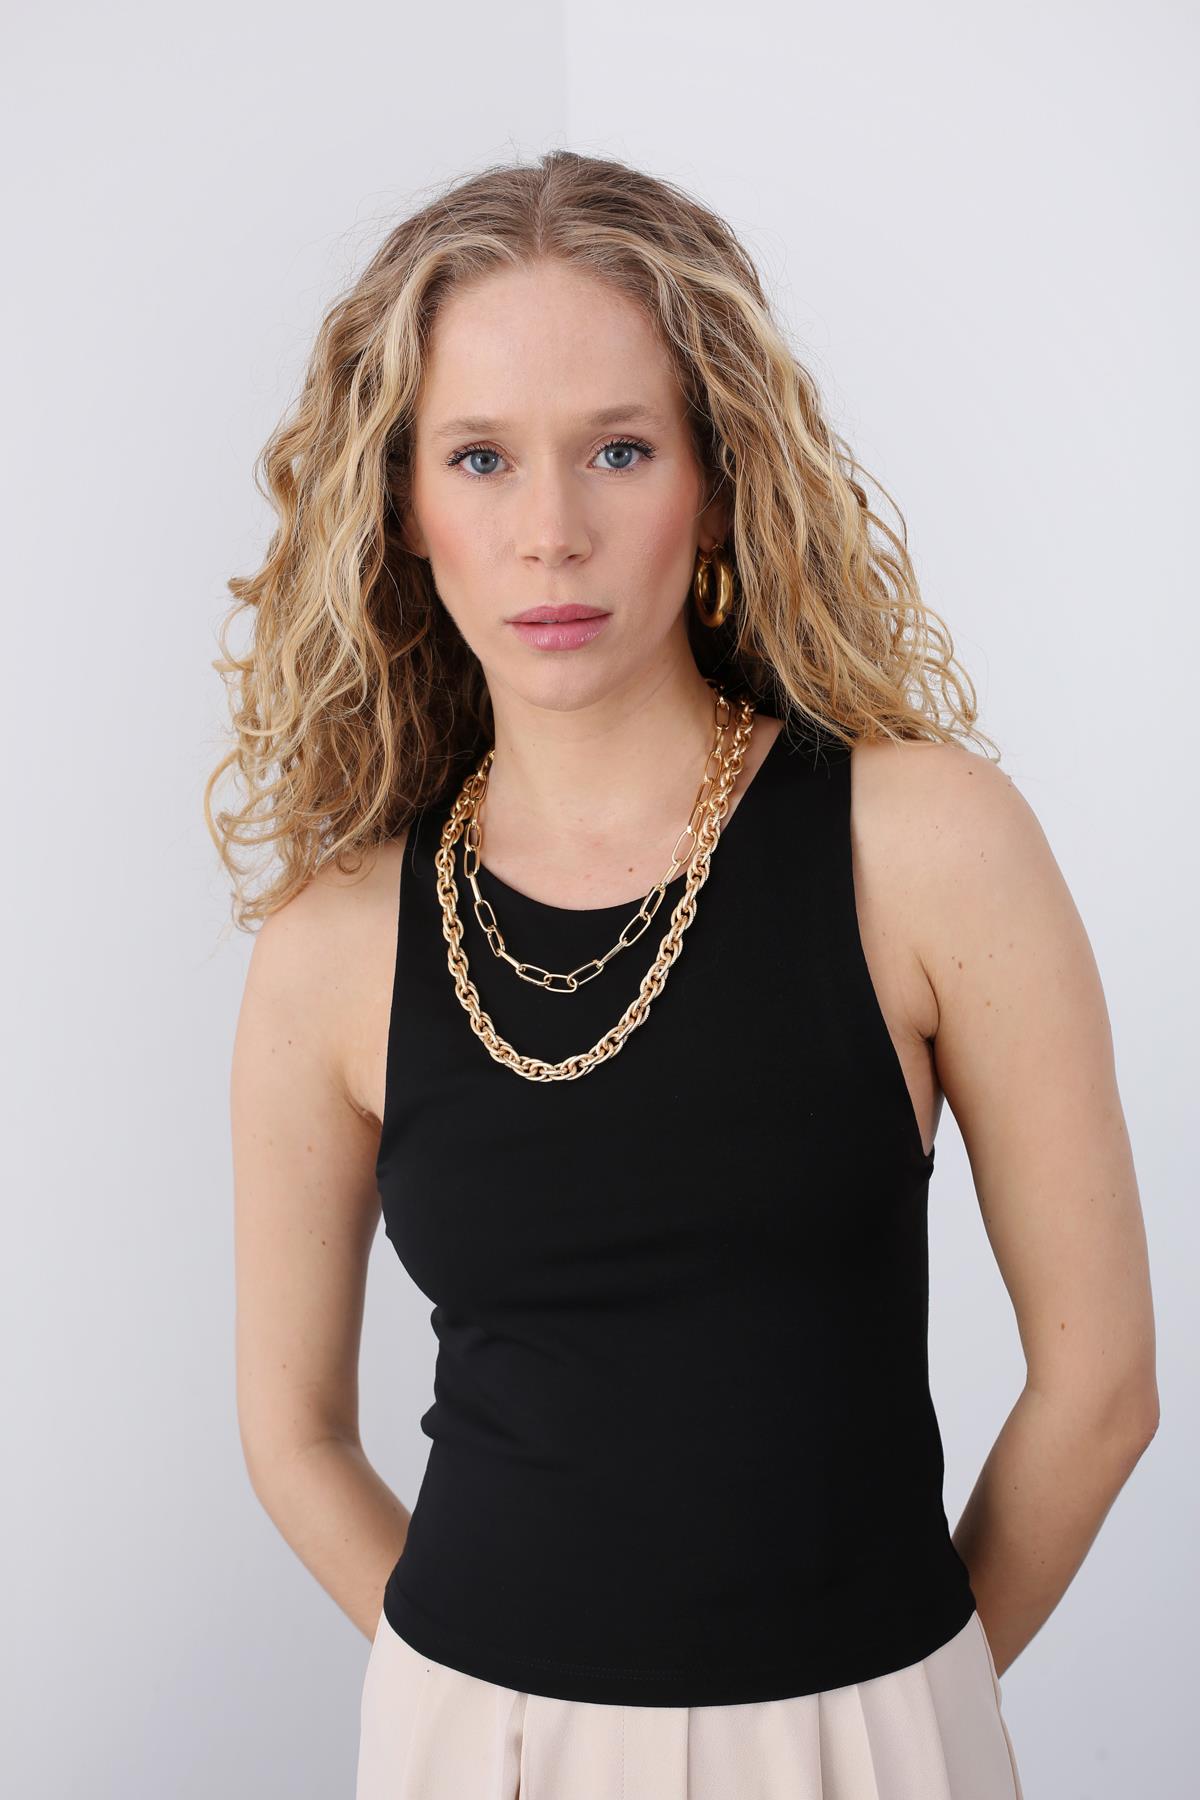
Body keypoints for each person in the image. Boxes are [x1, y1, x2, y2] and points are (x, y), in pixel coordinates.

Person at [211, 150, 1158, 1798]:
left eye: (620, 450)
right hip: (480, 1743)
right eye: (481, 458)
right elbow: (291, 1433)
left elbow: (1102, 1388)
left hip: (868, 1727)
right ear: (403, 505)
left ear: (717, 482)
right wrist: (475, 1699)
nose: (551, 533)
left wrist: (903, 1700)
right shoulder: (334, 946)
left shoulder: (925, 846)